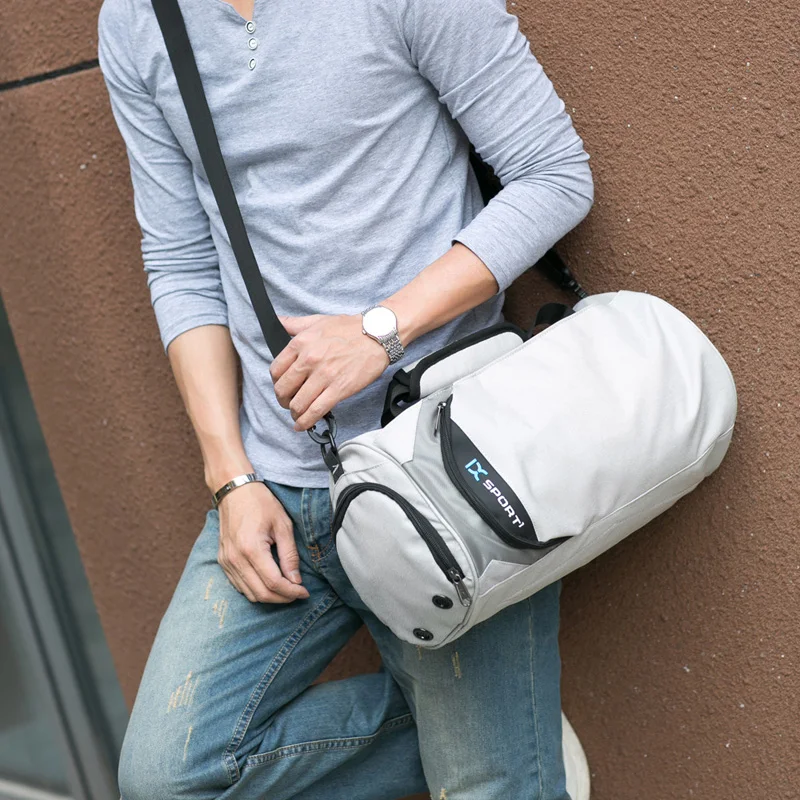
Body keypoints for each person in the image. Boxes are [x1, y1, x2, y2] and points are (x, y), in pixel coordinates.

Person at [97, 0, 594, 797]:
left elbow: (554, 175)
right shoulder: (134, 21)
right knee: (168, 781)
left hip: (442, 467)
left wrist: (380, 331)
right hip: (278, 486)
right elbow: (183, 260)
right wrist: (231, 476)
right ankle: (510, 736)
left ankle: (506, 748)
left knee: (488, 786)